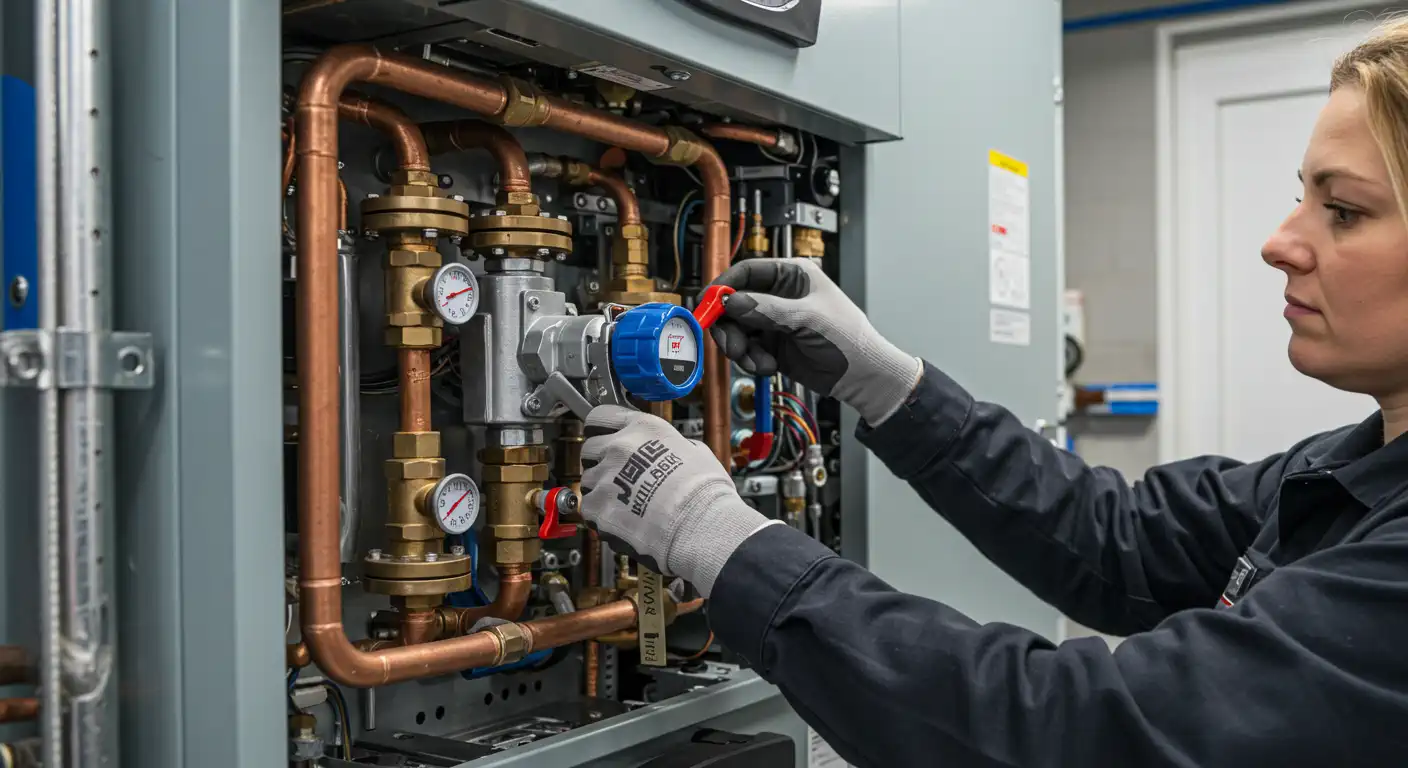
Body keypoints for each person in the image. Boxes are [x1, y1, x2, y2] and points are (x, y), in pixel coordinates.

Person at [578, 19, 1408, 768]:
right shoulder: (1348, 475)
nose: (1280, 242)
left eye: (1342, 210)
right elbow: (1116, 540)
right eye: (1301, 195)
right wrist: (888, 382)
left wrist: (719, 539)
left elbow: (1077, 733)